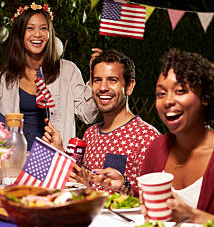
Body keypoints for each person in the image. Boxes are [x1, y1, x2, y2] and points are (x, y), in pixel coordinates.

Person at [140, 49, 214, 221]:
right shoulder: (156, 149)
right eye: (161, 94)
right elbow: (144, 211)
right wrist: (125, 188)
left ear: (205, 97)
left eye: (180, 91)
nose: (168, 101)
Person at [44, 49, 159, 193]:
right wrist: (59, 151)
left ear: (129, 86)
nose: (103, 88)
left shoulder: (146, 138)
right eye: (97, 80)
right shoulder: (90, 134)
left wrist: (125, 188)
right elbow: (85, 183)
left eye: (112, 80)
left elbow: (157, 198)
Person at [0, 3, 98, 150]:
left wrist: (95, 78)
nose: (37, 34)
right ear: (19, 33)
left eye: (43, 28)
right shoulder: (7, 76)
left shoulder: (68, 71)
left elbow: (87, 116)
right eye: (30, 28)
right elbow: (1, 123)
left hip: (54, 158)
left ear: (50, 33)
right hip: (16, 156)